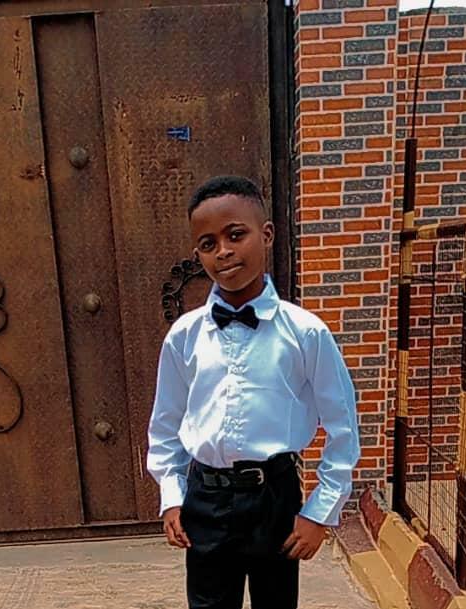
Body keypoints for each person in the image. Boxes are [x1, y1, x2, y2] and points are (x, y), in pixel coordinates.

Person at [147, 175, 360, 609]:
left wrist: (320, 511)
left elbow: (343, 427)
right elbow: (166, 423)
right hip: (205, 499)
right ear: (197, 254)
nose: (223, 251)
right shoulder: (184, 336)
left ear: (266, 235)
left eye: (235, 235)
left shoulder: (305, 333)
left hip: (274, 499)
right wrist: (172, 496)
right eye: (208, 244)